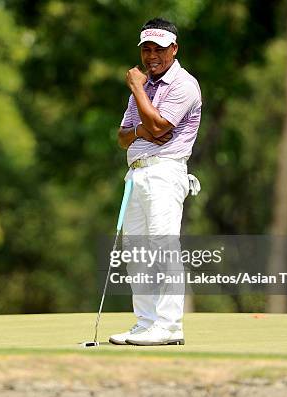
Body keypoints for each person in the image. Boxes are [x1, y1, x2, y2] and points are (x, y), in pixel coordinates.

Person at [109, 18, 202, 346]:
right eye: (146, 49)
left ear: (174, 49)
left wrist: (136, 89)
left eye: (159, 49)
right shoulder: (144, 87)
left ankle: (169, 325)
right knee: (135, 252)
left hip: (165, 171)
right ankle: (146, 323)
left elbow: (161, 129)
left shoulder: (184, 85)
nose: (152, 56)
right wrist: (142, 130)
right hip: (136, 172)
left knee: (163, 248)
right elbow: (123, 137)